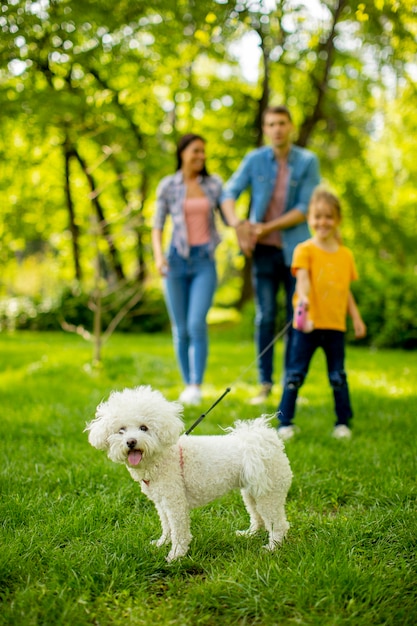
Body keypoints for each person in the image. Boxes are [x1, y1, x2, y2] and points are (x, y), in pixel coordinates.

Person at [221, 105, 321, 404]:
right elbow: (228, 193)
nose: (277, 128)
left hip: (297, 253)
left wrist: (266, 227)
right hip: (263, 252)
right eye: (271, 124)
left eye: (281, 123)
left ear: (290, 126)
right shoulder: (254, 160)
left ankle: (292, 385)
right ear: (265, 129)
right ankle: (265, 384)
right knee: (265, 317)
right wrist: (239, 224)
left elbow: (305, 209)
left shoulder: (307, 161)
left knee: (296, 318)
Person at [152, 133, 247, 405]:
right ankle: (187, 385)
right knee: (180, 328)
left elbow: (228, 212)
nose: (200, 156)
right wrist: (159, 258)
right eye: (195, 151)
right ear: (182, 153)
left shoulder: (213, 184)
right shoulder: (168, 186)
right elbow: (157, 226)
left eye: (203, 152)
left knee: (196, 323)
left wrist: (238, 223)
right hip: (175, 261)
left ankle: (196, 383)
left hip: (205, 261)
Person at [277, 187, 367, 440]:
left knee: (338, 376)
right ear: (309, 219)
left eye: (328, 216)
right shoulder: (304, 250)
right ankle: (284, 423)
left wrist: (356, 318)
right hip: (306, 325)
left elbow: (345, 290)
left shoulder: (345, 255)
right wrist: (304, 304)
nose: (322, 222)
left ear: (337, 220)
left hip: (335, 326)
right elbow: (303, 280)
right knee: (294, 375)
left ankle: (343, 423)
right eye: (317, 216)